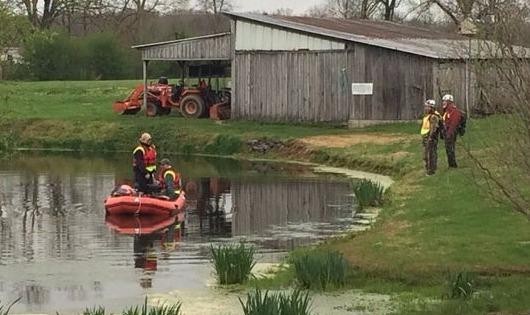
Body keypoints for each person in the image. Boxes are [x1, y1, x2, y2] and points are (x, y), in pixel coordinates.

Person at [420, 99, 442, 176]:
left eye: (428, 107)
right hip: (425, 137)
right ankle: (428, 169)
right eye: (426, 107)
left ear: (432, 108)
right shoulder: (427, 116)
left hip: (430, 138)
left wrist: (430, 137)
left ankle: (431, 171)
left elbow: (434, 128)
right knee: (425, 155)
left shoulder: (433, 117)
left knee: (430, 154)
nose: (426, 108)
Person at [441, 94, 462, 168]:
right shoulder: (446, 111)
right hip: (446, 132)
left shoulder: (453, 111)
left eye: (445, 101)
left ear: (449, 102)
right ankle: (450, 165)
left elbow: (454, 123)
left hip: (451, 133)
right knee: (448, 149)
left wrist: (450, 133)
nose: (443, 102)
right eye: (443, 101)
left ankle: (453, 165)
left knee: (450, 149)